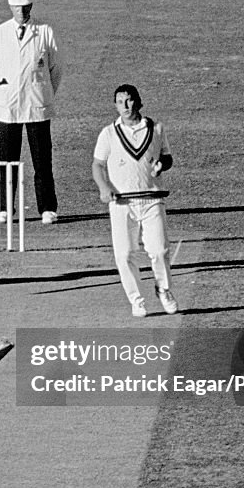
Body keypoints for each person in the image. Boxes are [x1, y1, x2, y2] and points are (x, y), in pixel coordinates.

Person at [91, 84, 179, 317]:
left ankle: (164, 289)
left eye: (129, 101)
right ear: (115, 106)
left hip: (151, 199)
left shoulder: (156, 128)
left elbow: (167, 158)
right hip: (121, 203)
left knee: (159, 250)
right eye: (120, 102)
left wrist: (162, 165)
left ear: (138, 102)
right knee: (124, 254)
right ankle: (136, 300)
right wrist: (103, 187)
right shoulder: (108, 133)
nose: (125, 107)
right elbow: (98, 165)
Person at [0, 0, 63, 224]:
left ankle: (47, 208)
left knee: (42, 159)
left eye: (25, 7)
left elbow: (56, 68)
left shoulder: (44, 31)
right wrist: (4, 88)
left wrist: (44, 92)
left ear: (31, 7)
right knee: (7, 159)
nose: (21, 12)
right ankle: (5, 208)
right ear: (11, 8)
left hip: (36, 103)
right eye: (17, 8)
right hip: (8, 105)